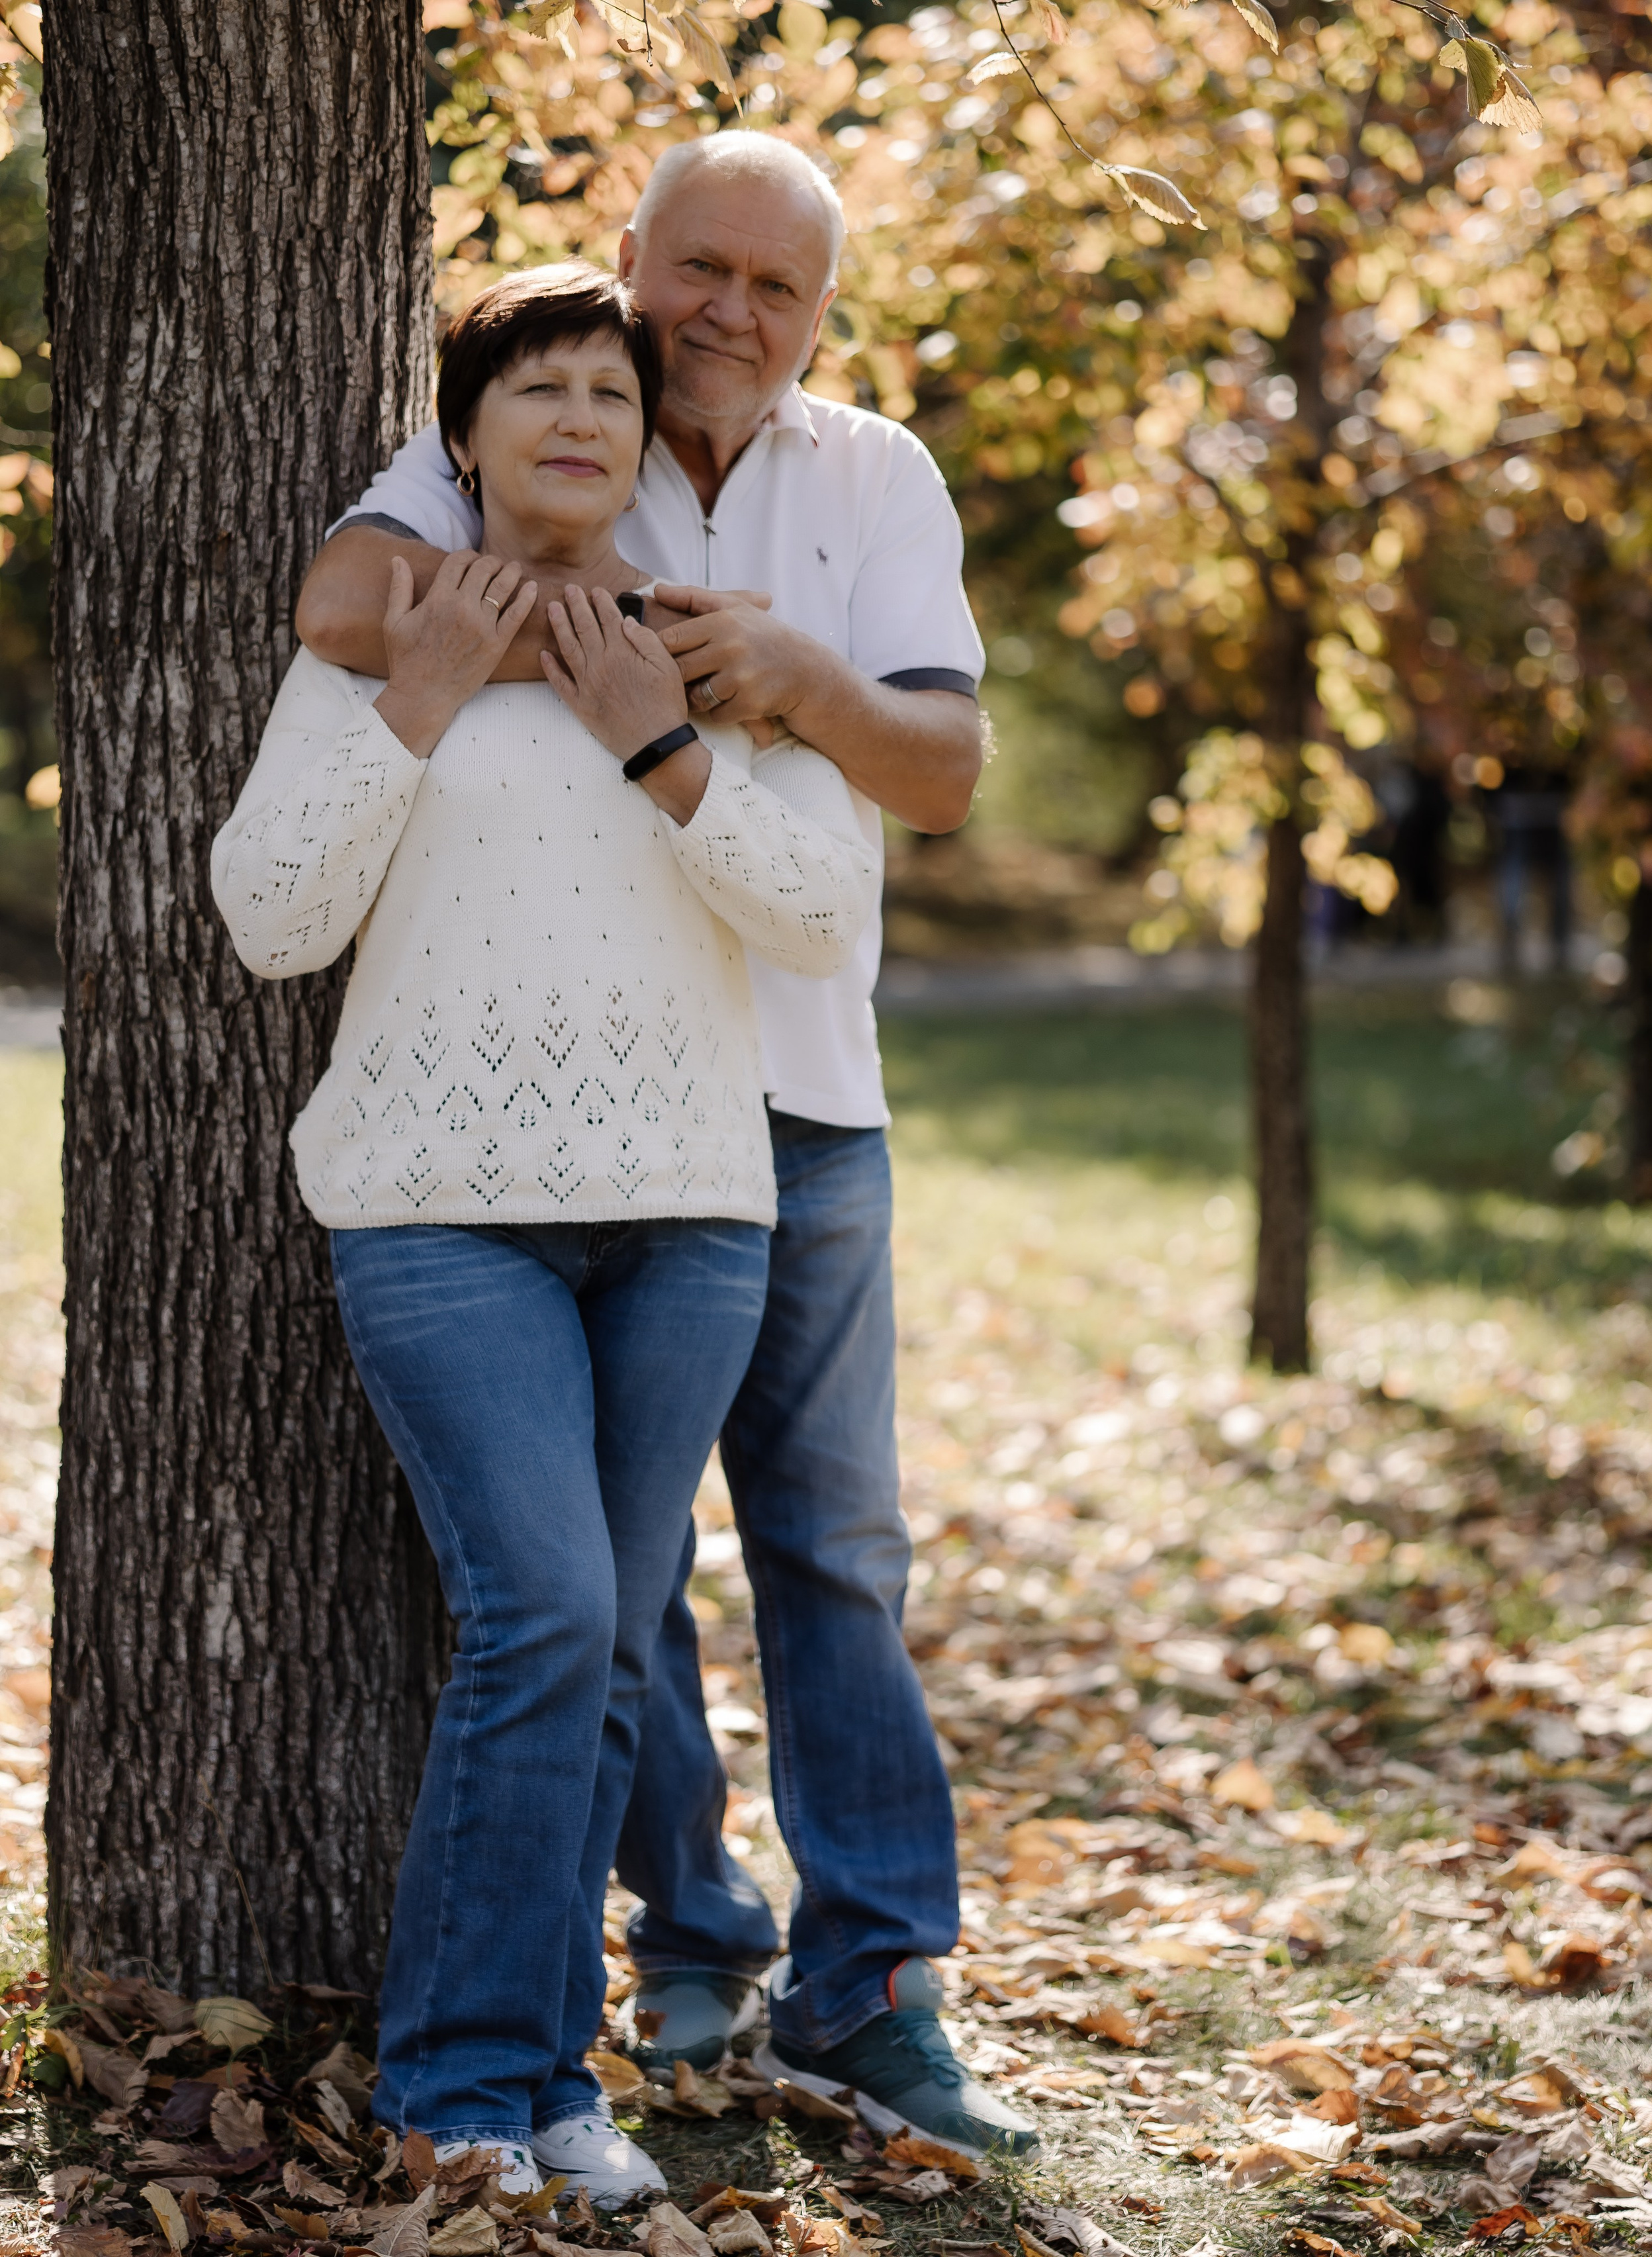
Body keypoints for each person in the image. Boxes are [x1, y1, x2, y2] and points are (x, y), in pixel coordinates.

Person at [295, 132, 1038, 2164]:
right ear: (633, 259)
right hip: (577, 1112)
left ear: (821, 315)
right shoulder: (546, 422)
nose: (726, 311)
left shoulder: (873, 479)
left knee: (833, 1547)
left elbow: (952, 765)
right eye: (694, 268)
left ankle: (873, 1980)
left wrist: (794, 678)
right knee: (608, 1592)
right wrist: (590, 619)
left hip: (803, 1092)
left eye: (773, 288)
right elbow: (347, 594)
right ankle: (687, 1933)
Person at [212, 263, 879, 2205]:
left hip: (689, 1217)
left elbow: (823, 915)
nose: (580, 418)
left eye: (611, 389)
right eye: (539, 390)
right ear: (467, 435)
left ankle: (548, 2083)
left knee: (596, 1656)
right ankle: (458, 2087)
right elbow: (271, 913)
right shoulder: (372, 645)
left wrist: (663, 743)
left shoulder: (713, 648)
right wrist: (414, 706)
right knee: (554, 1616)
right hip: (443, 1215)